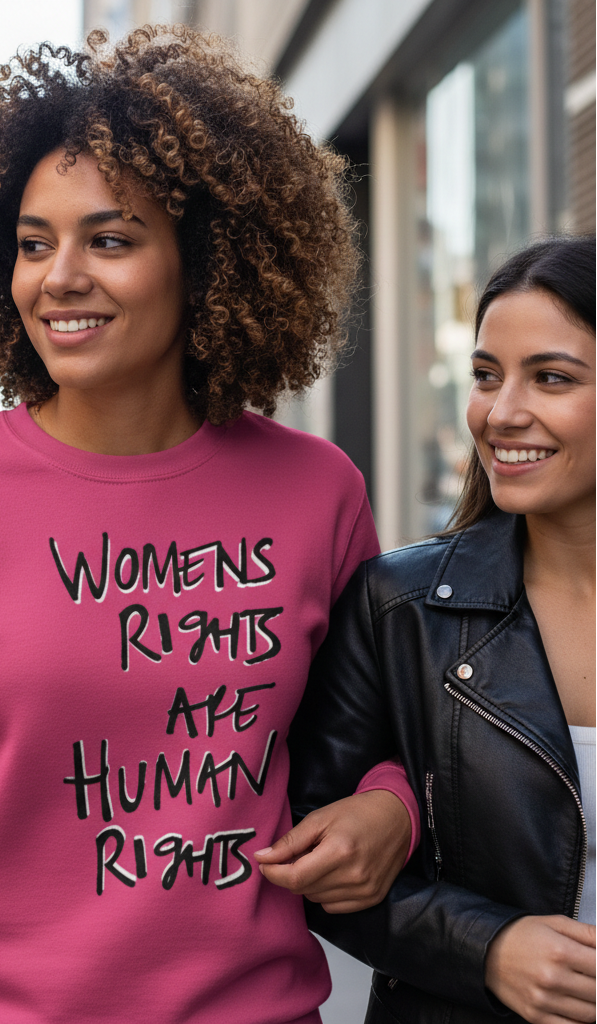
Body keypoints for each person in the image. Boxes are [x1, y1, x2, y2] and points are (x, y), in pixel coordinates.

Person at [0, 26, 418, 1024]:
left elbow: (385, 734)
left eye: (110, 239)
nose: (59, 278)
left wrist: (390, 805)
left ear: (206, 260)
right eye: (34, 243)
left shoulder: (318, 491)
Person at [285, 235, 596, 1024]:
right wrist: (485, 948)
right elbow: (317, 865)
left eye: (551, 378)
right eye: (486, 376)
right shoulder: (403, 606)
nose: (501, 412)